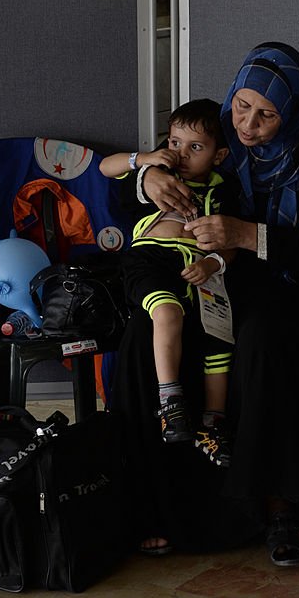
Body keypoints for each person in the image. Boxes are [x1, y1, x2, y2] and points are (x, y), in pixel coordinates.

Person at [133, 42, 299, 566]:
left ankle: (280, 507)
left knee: (262, 338)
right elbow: (161, 160)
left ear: (294, 110)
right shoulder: (217, 133)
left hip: (280, 282)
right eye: (241, 107)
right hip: (205, 278)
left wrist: (247, 234)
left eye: (267, 114)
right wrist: (149, 175)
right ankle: (156, 506)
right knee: (148, 332)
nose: (249, 126)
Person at [100, 99, 237, 465]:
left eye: (195, 147)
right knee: (168, 313)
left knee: (219, 341)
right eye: (175, 142)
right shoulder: (159, 173)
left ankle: (213, 424)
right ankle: (170, 401)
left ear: (219, 155)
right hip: (151, 259)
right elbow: (105, 166)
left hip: (198, 268)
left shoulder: (222, 190)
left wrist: (212, 263)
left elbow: (232, 244)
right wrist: (143, 160)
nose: (181, 153)